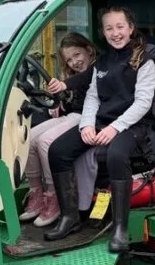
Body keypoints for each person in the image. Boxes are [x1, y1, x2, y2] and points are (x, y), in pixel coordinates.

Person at [46, 7, 155, 252]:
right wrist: (87, 125)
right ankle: (70, 218)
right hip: (102, 121)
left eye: (120, 26)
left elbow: (143, 103)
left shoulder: (147, 56)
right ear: (103, 32)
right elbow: (92, 96)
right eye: (109, 28)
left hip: (135, 126)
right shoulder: (103, 60)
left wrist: (114, 128)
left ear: (130, 27)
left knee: (116, 154)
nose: (115, 33)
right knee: (58, 150)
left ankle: (120, 229)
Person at [19, 32, 97, 227]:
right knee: (29, 137)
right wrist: (58, 104)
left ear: (88, 50)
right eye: (69, 60)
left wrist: (64, 86)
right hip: (71, 115)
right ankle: (37, 192)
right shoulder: (71, 75)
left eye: (77, 55)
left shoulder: (98, 68)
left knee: (46, 141)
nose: (75, 62)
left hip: (89, 118)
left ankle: (55, 196)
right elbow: (68, 101)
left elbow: (86, 80)